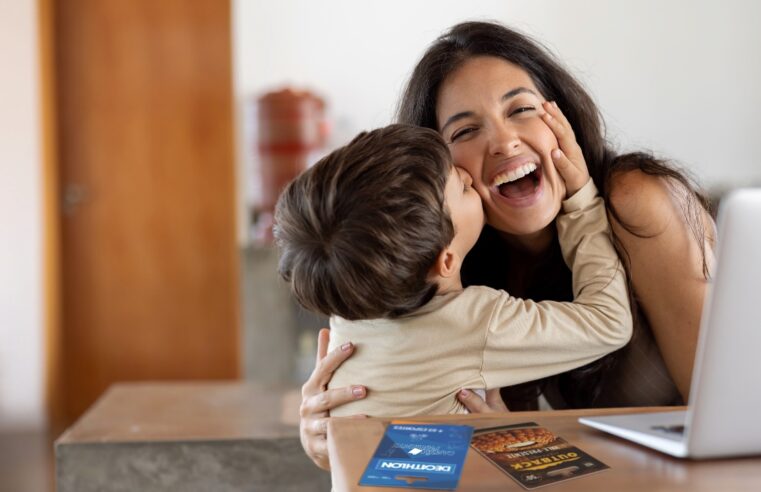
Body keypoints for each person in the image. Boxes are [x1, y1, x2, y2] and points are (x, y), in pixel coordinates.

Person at [298, 21, 715, 470]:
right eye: (463, 132)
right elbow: (424, 461)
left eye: (520, 109)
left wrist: (514, 446)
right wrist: (326, 436)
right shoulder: (439, 285)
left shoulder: (634, 201)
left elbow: (730, 433)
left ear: (562, 116)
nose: (503, 141)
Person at [275, 123, 632, 417]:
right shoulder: (472, 321)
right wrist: (582, 204)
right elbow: (609, 323)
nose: (466, 174)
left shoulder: (351, 308)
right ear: (444, 261)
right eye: (461, 188)